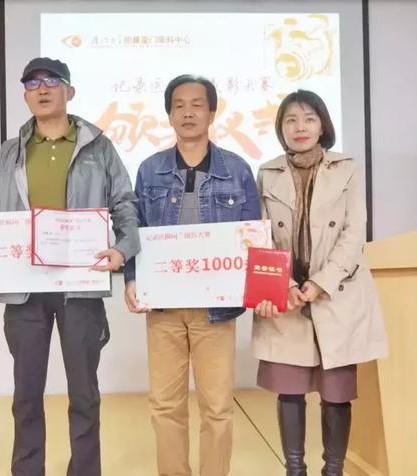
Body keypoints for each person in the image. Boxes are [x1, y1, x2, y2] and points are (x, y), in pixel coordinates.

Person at [0, 57, 139, 476]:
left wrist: (123, 248)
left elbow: (125, 204)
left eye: (51, 81)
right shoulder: (9, 153)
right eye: (32, 84)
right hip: (24, 288)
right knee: (25, 395)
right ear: (25, 95)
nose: (41, 89)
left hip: (80, 287)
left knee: (84, 394)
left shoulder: (98, 146)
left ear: (69, 91)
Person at [123, 74, 260, 476]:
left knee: (217, 408)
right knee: (165, 406)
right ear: (169, 115)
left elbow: (253, 236)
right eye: (179, 105)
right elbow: (134, 231)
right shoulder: (150, 170)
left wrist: (257, 288)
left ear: (212, 113)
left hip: (215, 310)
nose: (188, 112)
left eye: (197, 104)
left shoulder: (237, 170)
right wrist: (132, 278)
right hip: (164, 308)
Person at [252, 89, 388, 476]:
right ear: (281, 128)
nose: (300, 127)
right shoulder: (267, 172)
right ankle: (294, 470)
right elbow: (260, 235)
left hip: (336, 294)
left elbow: (353, 232)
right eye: (291, 120)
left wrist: (320, 283)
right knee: (290, 390)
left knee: (336, 393)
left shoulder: (347, 168)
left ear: (322, 125)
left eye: (309, 118)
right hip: (288, 297)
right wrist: (285, 285)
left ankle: (334, 470)